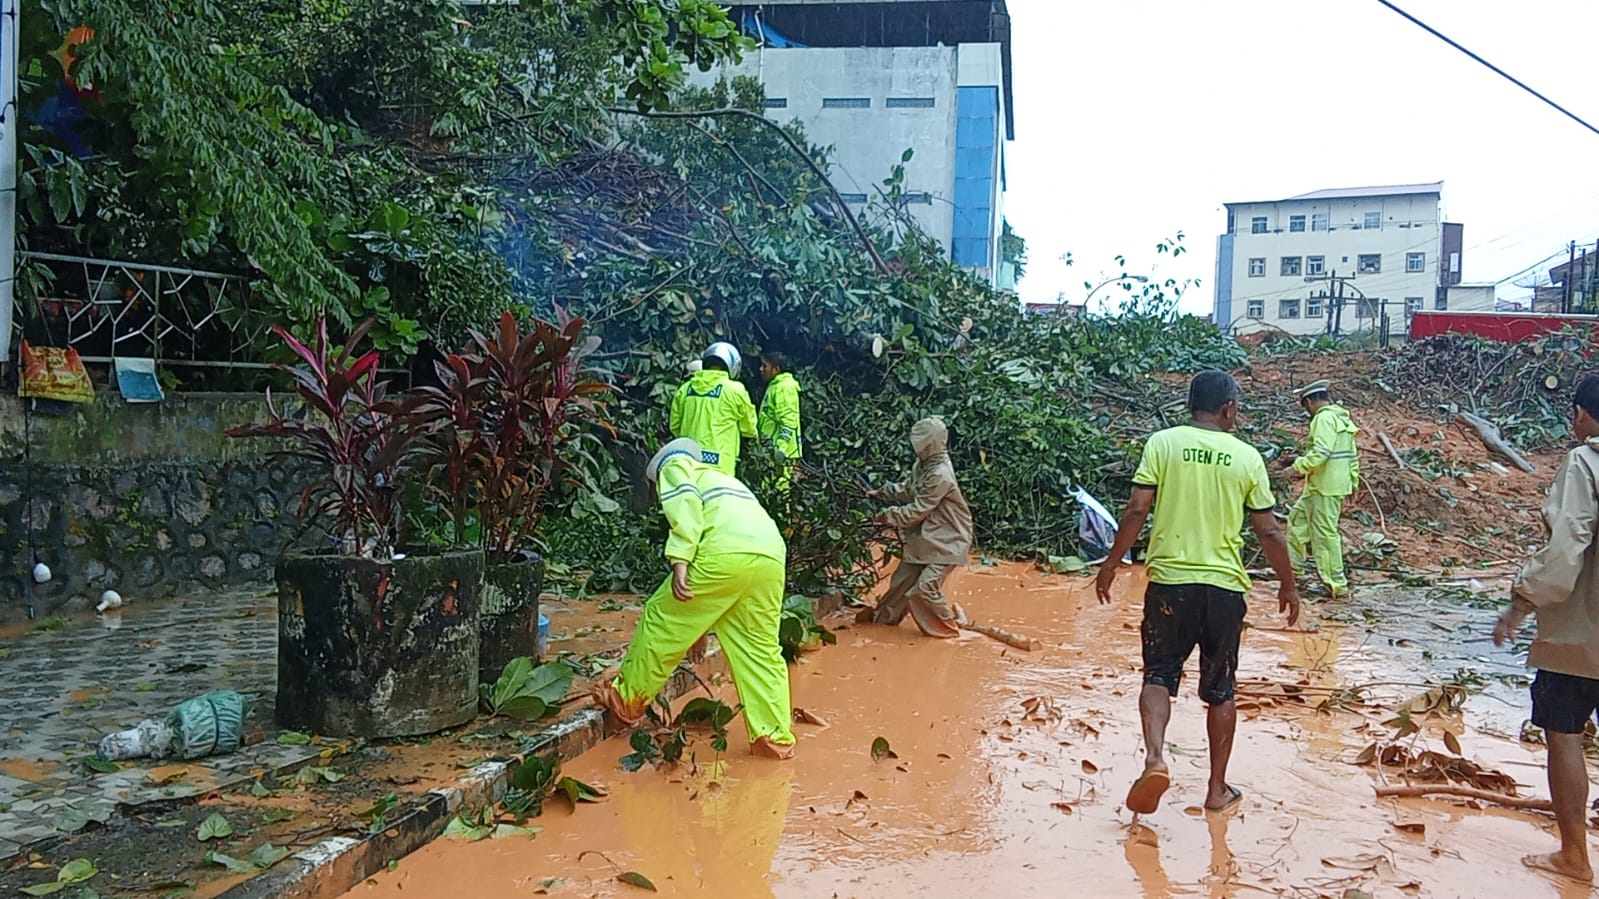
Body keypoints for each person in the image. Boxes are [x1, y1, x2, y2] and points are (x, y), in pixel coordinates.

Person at [1094, 370, 1300, 815]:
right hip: (1223, 590)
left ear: (1191, 405)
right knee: (1221, 690)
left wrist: (1111, 564)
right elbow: (1268, 530)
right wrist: (1288, 583)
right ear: (1228, 408)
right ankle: (1216, 790)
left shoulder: (1162, 444)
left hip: (1170, 584)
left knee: (1158, 675)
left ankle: (1155, 758)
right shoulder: (1246, 457)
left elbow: (1136, 509)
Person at [594, 438, 797, 759]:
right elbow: (716, 596)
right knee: (759, 649)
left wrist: (680, 561)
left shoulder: (674, 465)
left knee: (661, 617)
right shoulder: (723, 480)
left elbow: (685, 507)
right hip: (770, 556)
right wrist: (697, 629)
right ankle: (773, 739)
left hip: (723, 552)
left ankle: (624, 703)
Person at [1493, 374, 1599, 884]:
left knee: (1565, 731)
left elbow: (1563, 552)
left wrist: (1521, 602)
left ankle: (1574, 855)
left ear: (1580, 414)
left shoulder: (1584, 463)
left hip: (1583, 632)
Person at [861, 417, 971, 640]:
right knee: (901, 584)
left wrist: (884, 516)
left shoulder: (940, 474)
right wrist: (882, 493)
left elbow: (916, 511)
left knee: (925, 588)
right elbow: (908, 489)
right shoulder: (923, 465)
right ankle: (880, 622)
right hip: (925, 537)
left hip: (950, 540)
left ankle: (948, 632)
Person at [1286, 380, 1360, 599]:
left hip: (1325, 487)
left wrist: (1296, 467)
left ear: (1309, 402)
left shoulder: (1323, 419)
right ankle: (1294, 571)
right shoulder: (1342, 418)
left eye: (1305, 406)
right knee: (1297, 521)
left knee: (1325, 536)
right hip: (1323, 486)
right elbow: (1352, 456)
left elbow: (1321, 452)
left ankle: (1335, 584)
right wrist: (1353, 482)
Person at [670, 342, 757, 476]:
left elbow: (675, 426)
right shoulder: (736, 390)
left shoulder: (685, 390)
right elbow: (749, 429)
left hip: (688, 461)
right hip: (720, 465)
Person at [757, 352, 802, 491]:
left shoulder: (784, 387)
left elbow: (788, 420)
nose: (761, 369)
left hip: (780, 455)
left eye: (765, 366)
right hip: (771, 450)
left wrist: (781, 449)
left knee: (780, 492)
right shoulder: (776, 385)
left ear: (776, 369)